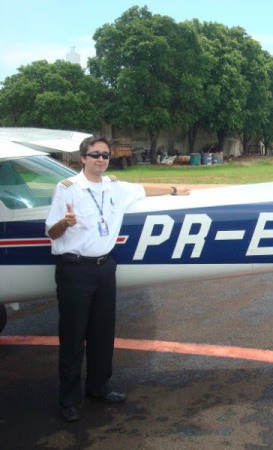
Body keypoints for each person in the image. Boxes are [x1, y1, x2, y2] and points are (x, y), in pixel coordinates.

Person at [45, 136, 191, 422]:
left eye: (105, 155)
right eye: (95, 154)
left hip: (104, 267)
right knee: (73, 338)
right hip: (75, 270)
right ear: (82, 158)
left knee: (102, 333)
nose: (101, 159)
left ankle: (99, 388)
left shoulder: (115, 187)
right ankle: (69, 400)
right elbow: (51, 232)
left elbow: (143, 189)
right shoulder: (67, 190)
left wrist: (175, 189)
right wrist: (66, 222)